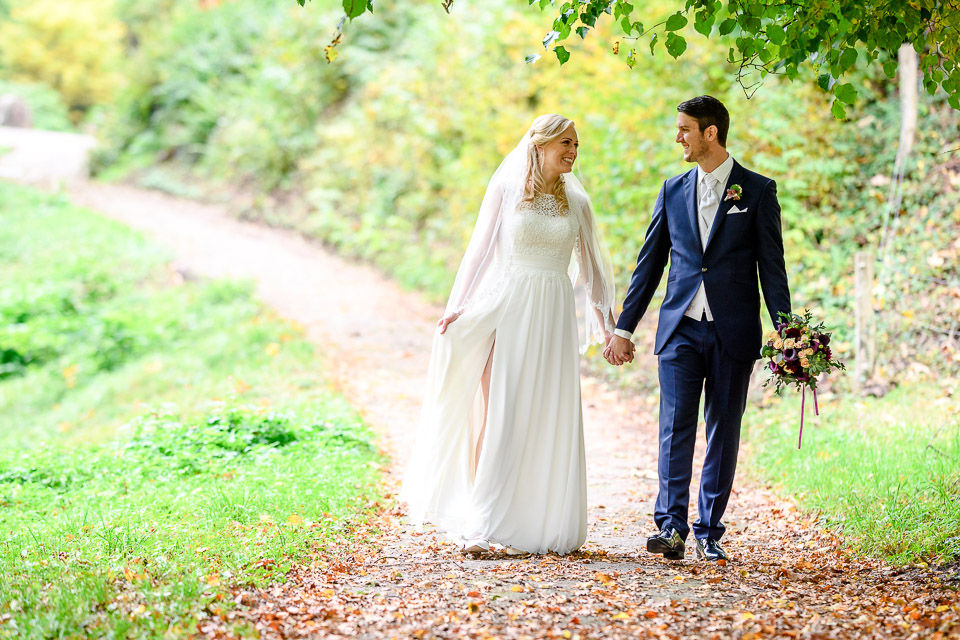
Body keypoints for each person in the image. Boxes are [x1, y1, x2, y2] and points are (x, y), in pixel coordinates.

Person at [402, 114, 616, 555]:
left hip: (554, 313)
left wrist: (610, 328)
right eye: (566, 143)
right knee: (503, 409)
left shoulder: (577, 201)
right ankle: (482, 520)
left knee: (545, 414)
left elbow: (593, 271)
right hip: (509, 306)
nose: (573, 151)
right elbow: (479, 251)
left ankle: (535, 521)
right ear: (540, 145)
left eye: (576, 144)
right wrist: (457, 305)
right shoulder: (505, 188)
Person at [604, 96, 791, 562]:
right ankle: (671, 528)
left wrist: (787, 332)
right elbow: (649, 265)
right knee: (674, 428)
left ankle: (709, 530)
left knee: (723, 430)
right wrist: (625, 327)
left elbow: (772, 268)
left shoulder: (758, 191)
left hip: (733, 331)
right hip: (680, 330)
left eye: (685, 129)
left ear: (711, 133)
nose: (678, 137)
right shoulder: (672, 190)